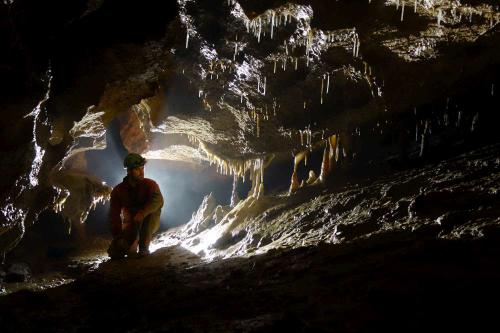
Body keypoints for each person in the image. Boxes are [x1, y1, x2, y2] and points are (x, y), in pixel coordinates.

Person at [107, 153, 164, 259]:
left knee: (151, 214)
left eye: (142, 168)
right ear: (128, 171)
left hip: (148, 221)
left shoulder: (150, 185)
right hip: (132, 223)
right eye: (137, 169)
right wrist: (118, 236)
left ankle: (143, 247)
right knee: (116, 252)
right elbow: (114, 216)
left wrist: (142, 213)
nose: (142, 172)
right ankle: (130, 243)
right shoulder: (118, 191)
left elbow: (158, 201)